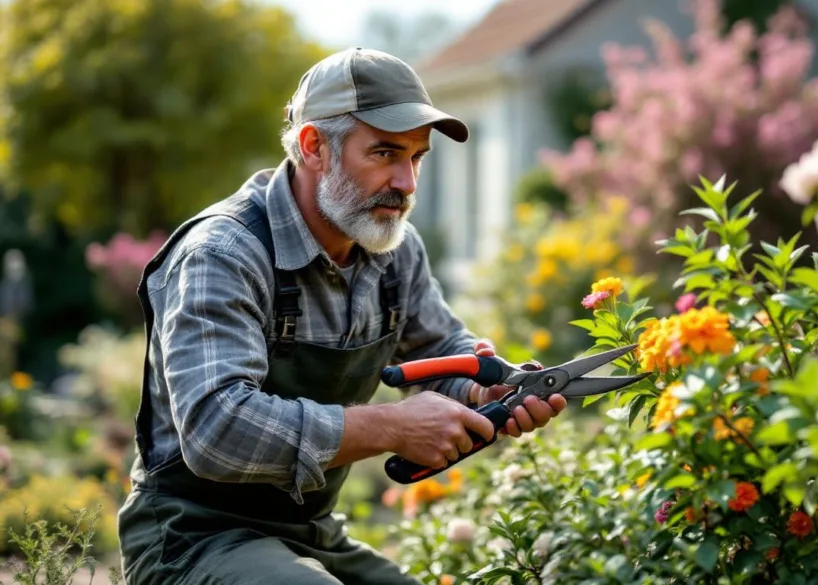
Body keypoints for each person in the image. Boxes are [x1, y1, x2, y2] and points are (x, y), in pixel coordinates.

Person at [116, 47, 567, 585]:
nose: (407, 182)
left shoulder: (394, 250)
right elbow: (217, 430)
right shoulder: (223, 254)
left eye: (416, 157)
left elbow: (439, 349)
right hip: (190, 539)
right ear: (315, 147)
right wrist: (391, 426)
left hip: (311, 534)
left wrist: (486, 390)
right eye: (385, 153)